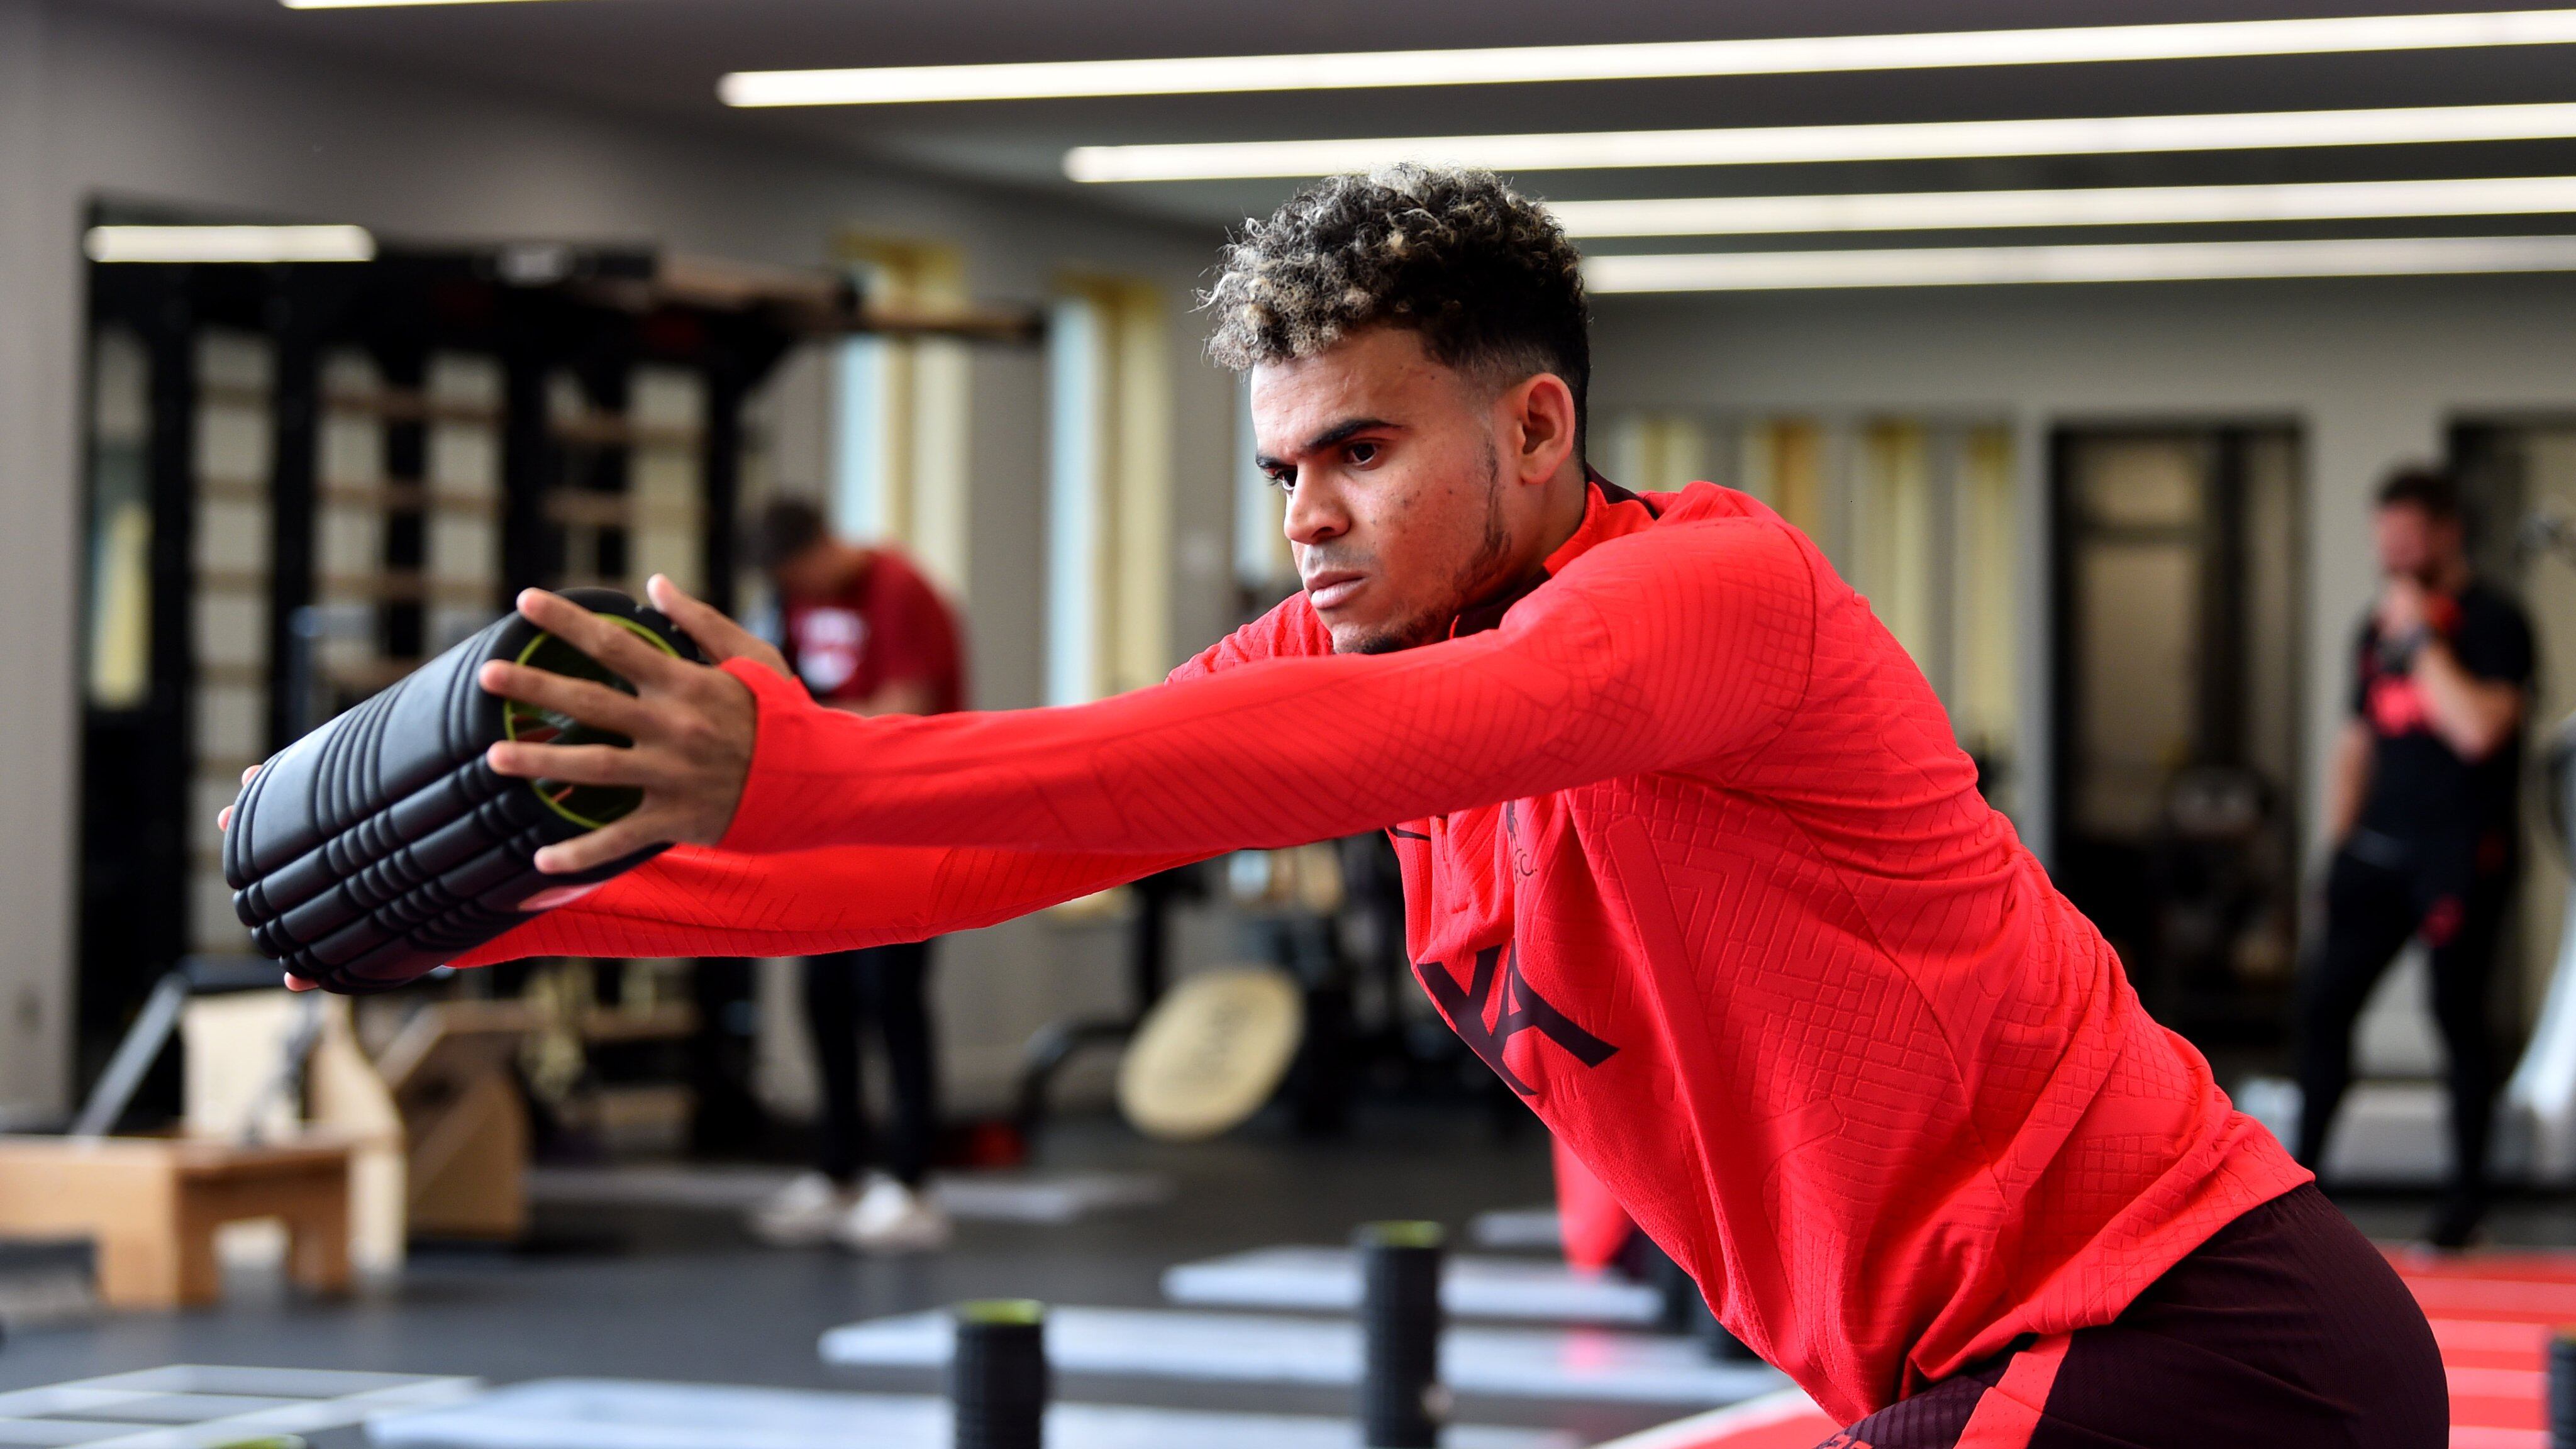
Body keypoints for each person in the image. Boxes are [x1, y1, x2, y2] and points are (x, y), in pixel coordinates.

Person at [307, 169, 2440, 1445]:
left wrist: (820, 751)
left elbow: (1344, 754)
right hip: (1960, 1366)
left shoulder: (1707, 595)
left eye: (1357, 450)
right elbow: (997, 844)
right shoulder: (1342, 659)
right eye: (1280, 470)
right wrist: (488, 922)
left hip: (2189, 1340)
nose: (1307, 516)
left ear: (1533, 427)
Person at [2297, 466, 2533, 1250]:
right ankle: (2300, 1192)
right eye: (2383, 539)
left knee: (2456, 1018)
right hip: (2376, 852)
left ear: (2445, 532)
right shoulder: (2371, 631)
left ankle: (2465, 1198)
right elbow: (2354, 743)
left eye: (2406, 538)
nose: (2392, 554)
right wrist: (2335, 852)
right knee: (2323, 1006)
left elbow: (2477, 731)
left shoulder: (2495, 622)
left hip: (2460, 855)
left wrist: (2422, 639)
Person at [741, 499, 966, 1252]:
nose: (797, 585)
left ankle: (910, 1185)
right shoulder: (790, 600)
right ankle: (837, 1173)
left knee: (891, 996)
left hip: (907, 822)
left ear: (824, 543)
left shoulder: (899, 589)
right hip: (827, 824)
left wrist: (807, 733)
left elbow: (906, 712)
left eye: (800, 568)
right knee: (825, 994)